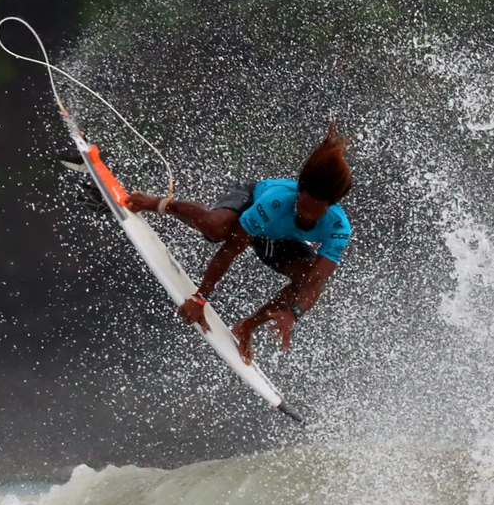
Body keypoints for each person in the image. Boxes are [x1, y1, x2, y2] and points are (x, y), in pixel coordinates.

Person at [124, 122, 352, 364]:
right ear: (300, 193)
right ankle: (164, 204)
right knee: (216, 228)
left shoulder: (339, 228)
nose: (307, 216)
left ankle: (246, 327)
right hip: (251, 204)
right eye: (303, 207)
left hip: (279, 237)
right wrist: (199, 298)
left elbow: (317, 282)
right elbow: (230, 250)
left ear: (330, 206)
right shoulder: (276, 201)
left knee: (308, 275)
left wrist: (294, 314)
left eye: (315, 213)